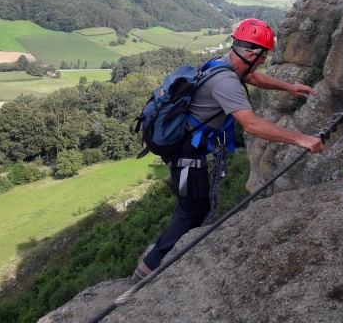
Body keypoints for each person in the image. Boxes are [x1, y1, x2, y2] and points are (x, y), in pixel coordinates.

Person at [132, 18, 324, 281]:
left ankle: (156, 260)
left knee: (193, 205)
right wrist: (300, 138)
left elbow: (253, 77)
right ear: (249, 54)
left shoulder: (224, 63)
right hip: (185, 153)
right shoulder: (226, 82)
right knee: (192, 208)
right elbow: (251, 124)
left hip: (189, 147)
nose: (263, 62)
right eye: (262, 57)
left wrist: (289, 87)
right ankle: (148, 269)